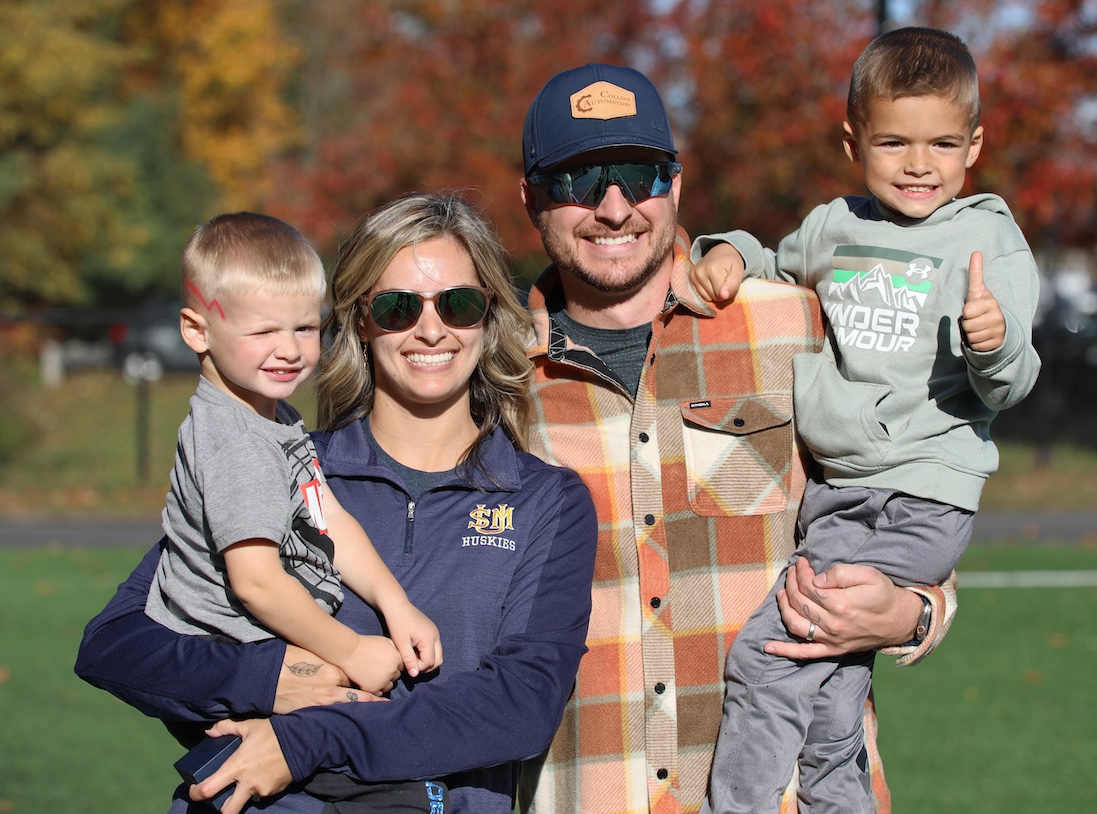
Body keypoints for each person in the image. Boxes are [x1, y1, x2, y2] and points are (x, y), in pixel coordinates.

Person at [514, 62, 959, 814]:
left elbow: (909, 499)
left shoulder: (798, 325)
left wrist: (915, 612)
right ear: (531, 201)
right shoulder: (491, 379)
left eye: (639, 175)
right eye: (577, 181)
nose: (615, 208)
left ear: (676, 186)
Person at [75, 192, 598, 814]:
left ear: (488, 318)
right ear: (358, 321)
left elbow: (519, 706)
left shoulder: (547, 501)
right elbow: (117, 645)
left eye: (459, 305)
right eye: (397, 307)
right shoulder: (279, 461)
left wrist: (303, 742)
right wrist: (268, 679)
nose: (431, 329)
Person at [687, 28, 1041, 813]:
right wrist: (728, 253)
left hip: (914, 493)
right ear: (854, 141)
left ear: (974, 144)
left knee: (767, 659)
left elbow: (1015, 381)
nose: (920, 164)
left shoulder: (986, 237)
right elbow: (774, 261)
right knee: (833, 683)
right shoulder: (834, 227)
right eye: (894, 142)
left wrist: (994, 343)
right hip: (842, 491)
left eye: (943, 143)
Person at [150, 211, 441, 695]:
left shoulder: (271, 417)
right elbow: (256, 583)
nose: (290, 349)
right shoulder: (237, 439)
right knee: (345, 697)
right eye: (264, 332)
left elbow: (325, 516)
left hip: (263, 642)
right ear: (197, 331)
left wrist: (396, 604)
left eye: (305, 328)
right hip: (232, 652)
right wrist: (350, 650)